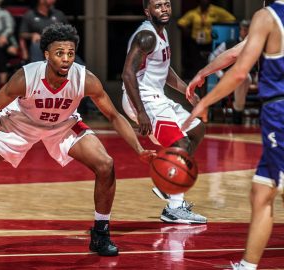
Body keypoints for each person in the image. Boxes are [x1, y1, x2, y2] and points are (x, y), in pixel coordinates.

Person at [0, 23, 155, 257]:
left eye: (70, 53)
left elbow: (112, 115)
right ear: (46, 54)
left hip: (62, 125)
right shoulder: (25, 77)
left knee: (106, 164)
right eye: (59, 53)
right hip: (19, 124)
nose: (66, 59)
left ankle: (100, 234)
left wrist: (139, 148)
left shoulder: (85, 79)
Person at [183, 1, 284, 269]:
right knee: (261, 192)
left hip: (280, 111)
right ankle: (247, 266)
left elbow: (239, 71)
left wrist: (204, 103)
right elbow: (234, 54)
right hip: (276, 113)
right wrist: (204, 73)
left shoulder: (267, 15)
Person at [121, 0, 207, 224]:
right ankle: (174, 208)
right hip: (142, 100)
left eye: (167, 4)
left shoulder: (162, 32)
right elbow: (128, 74)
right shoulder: (146, 37)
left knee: (197, 130)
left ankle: (166, 183)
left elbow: (163, 68)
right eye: (158, 6)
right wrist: (141, 113)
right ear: (147, 11)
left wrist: (185, 89)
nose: (164, 9)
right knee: (181, 145)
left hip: (157, 97)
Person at [187, 20, 254, 124]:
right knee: (243, 76)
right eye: (244, 29)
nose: (245, 32)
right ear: (240, 30)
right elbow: (213, 57)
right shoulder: (229, 43)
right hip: (231, 76)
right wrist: (221, 75)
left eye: (247, 30)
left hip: (250, 77)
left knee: (245, 77)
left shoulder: (256, 41)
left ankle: (238, 109)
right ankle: (237, 111)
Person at [177, 0, 236, 80]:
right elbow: (180, 23)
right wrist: (188, 31)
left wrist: (218, 28)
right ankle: (197, 86)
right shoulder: (194, 12)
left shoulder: (216, 11)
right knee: (197, 66)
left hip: (210, 44)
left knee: (209, 65)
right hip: (196, 44)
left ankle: (207, 86)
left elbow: (231, 18)